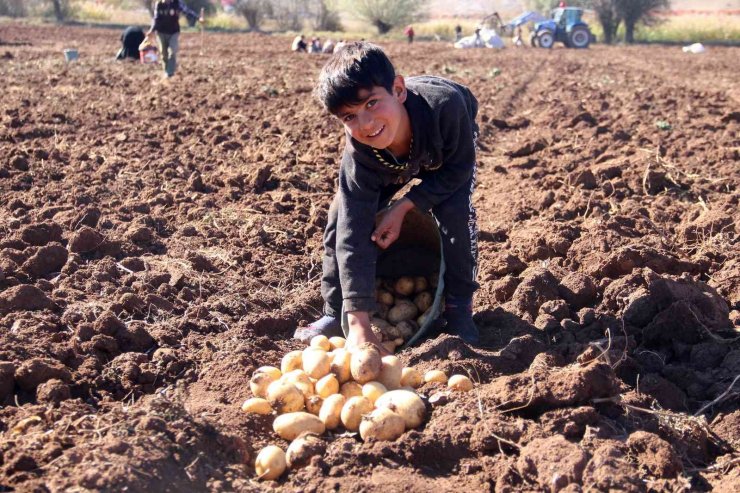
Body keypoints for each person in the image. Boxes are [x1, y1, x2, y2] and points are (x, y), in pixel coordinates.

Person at [294, 42, 480, 351]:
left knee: (455, 215)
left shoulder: (446, 107)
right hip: (388, 164)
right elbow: (352, 234)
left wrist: (407, 205)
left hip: (444, 152)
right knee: (340, 219)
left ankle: (459, 307)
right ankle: (334, 310)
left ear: (398, 89)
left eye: (371, 104)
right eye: (349, 117)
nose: (365, 124)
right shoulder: (361, 155)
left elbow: (458, 171)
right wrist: (358, 322)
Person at [146, 0, 202, 78]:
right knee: (163, 53)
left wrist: (198, 18)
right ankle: (166, 70)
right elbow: (156, 19)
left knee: (172, 52)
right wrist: (151, 30)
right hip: (161, 32)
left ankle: (170, 73)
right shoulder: (158, 4)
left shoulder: (177, 3)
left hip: (173, 32)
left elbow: (187, 12)